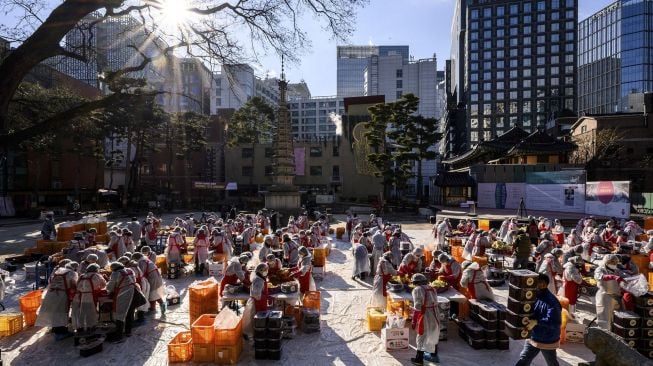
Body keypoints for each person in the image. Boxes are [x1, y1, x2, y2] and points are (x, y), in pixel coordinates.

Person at [515, 274, 562, 366]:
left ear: (543, 284)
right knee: (524, 358)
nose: (531, 285)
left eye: (534, 283)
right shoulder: (534, 295)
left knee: (551, 362)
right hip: (533, 336)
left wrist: (536, 322)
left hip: (547, 339)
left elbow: (555, 322)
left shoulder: (552, 302)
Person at [36, 260, 78, 339]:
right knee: (60, 313)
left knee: (53, 312)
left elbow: (50, 281)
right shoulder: (72, 273)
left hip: (51, 294)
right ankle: (60, 333)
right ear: (74, 268)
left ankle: (54, 328)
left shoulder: (57, 272)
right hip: (61, 295)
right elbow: (73, 285)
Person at [410, 273, 441, 365]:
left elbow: (418, 306)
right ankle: (434, 356)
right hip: (435, 313)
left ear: (416, 282)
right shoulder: (432, 288)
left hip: (426, 314)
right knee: (434, 332)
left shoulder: (418, 289)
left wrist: (414, 320)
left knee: (422, 335)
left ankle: (419, 359)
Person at [106, 262, 136, 341]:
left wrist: (108, 288)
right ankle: (128, 331)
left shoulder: (115, 274)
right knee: (130, 312)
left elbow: (110, 287)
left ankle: (119, 336)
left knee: (120, 314)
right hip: (133, 292)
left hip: (123, 294)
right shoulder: (130, 270)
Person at [71, 263, 106, 331]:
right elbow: (103, 285)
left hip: (79, 297)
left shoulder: (82, 276)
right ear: (96, 269)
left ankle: (80, 328)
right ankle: (91, 327)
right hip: (90, 297)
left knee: (81, 312)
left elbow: (77, 286)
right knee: (91, 312)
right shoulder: (97, 276)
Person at [594, 254, 624, 330]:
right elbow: (599, 276)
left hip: (616, 297)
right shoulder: (600, 269)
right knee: (604, 320)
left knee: (616, 319)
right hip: (604, 296)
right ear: (606, 262)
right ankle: (604, 336)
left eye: (615, 262)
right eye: (612, 262)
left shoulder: (617, 270)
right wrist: (612, 277)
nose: (614, 264)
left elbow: (625, 276)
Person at [243, 263, 272, 338]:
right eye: (265, 270)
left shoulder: (260, 277)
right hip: (257, 303)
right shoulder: (258, 280)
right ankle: (256, 336)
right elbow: (257, 295)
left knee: (260, 320)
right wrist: (265, 297)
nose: (267, 271)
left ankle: (260, 334)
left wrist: (267, 296)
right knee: (257, 320)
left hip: (261, 302)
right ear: (260, 270)